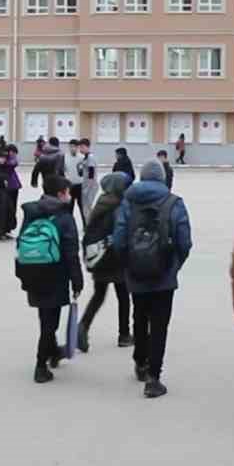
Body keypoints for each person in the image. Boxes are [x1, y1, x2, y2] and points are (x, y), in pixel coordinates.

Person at [112, 161, 192, 398]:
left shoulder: (128, 201)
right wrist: (174, 266)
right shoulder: (174, 203)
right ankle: (153, 377)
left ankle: (139, 361)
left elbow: (118, 239)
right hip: (164, 275)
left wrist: (128, 262)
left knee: (139, 314)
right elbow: (184, 242)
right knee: (159, 324)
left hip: (135, 271)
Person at [17, 175, 83, 384]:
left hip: (32, 272)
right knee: (49, 323)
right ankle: (40, 365)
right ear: (60, 194)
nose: (70, 196)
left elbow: (22, 241)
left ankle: (53, 352)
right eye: (67, 192)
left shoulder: (33, 211)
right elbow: (71, 252)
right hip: (56, 274)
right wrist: (77, 280)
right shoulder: (64, 217)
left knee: (45, 317)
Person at [78, 172, 134, 351]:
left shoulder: (101, 203)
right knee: (124, 296)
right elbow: (122, 234)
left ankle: (83, 326)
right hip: (115, 258)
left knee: (98, 295)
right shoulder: (120, 206)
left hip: (99, 257)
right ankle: (124, 334)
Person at [68, 140, 91, 228]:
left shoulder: (82, 158)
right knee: (69, 207)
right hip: (69, 186)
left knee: (82, 207)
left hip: (80, 185)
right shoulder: (65, 157)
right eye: (71, 146)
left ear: (78, 148)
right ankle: (69, 226)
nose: (72, 148)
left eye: (74, 146)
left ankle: (86, 226)